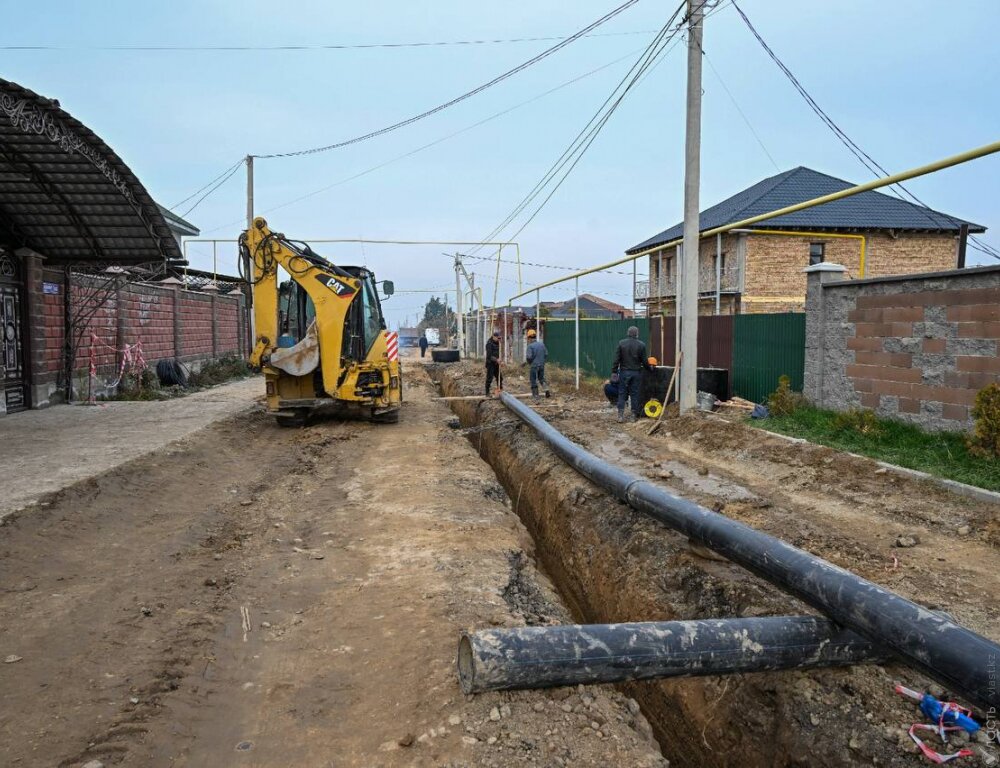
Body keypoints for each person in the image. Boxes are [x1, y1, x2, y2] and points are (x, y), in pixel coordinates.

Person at [612, 325, 652, 422]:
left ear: (628, 333)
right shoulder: (641, 345)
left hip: (624, 373)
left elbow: (616, 359)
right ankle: (633, 416)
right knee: (634, 394)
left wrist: (614, 371)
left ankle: (620, 416)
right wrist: (649, 368)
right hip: (636, 373)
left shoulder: (621, 343)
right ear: (637, 334)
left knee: (622, 393)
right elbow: (644, 361)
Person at [525, 328, 550, 398]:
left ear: (529, 338)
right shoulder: (542, 344)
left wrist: (529, 363)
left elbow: (529, 357)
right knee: (541, 378)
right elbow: (546, 354)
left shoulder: (530, 346)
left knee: (533, 379)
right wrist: (542, 361)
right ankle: (546, 390)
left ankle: (535, 395)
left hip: (534, 365)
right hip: (541, 365)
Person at [485, 330, 502, 396]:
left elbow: (499, 353)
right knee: (489, 378)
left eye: (499, 338)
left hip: (496, 364)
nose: (499, 339)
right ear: (494, 337)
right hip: (490, 364)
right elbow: (489, 356)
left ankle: (500, 389)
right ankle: (487, 392)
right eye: (498, 338)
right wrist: (496, 360)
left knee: (500, 377)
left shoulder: (498, 343)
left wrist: (500, 361)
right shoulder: (489, 344)